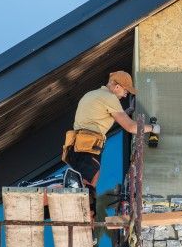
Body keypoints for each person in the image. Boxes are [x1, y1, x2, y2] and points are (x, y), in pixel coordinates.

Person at [61, 70, 160, 218]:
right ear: (117, 86)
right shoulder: (109, 98)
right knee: (86, 190)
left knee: (81, 188)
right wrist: (153, 128)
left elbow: (100, 118)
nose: (126, 94)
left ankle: (82, 221)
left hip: (76, 148)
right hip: (88, 149)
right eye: (126, 90)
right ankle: (84, 224)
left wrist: (126, 111)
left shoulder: (91, 95)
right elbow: (131, 127)